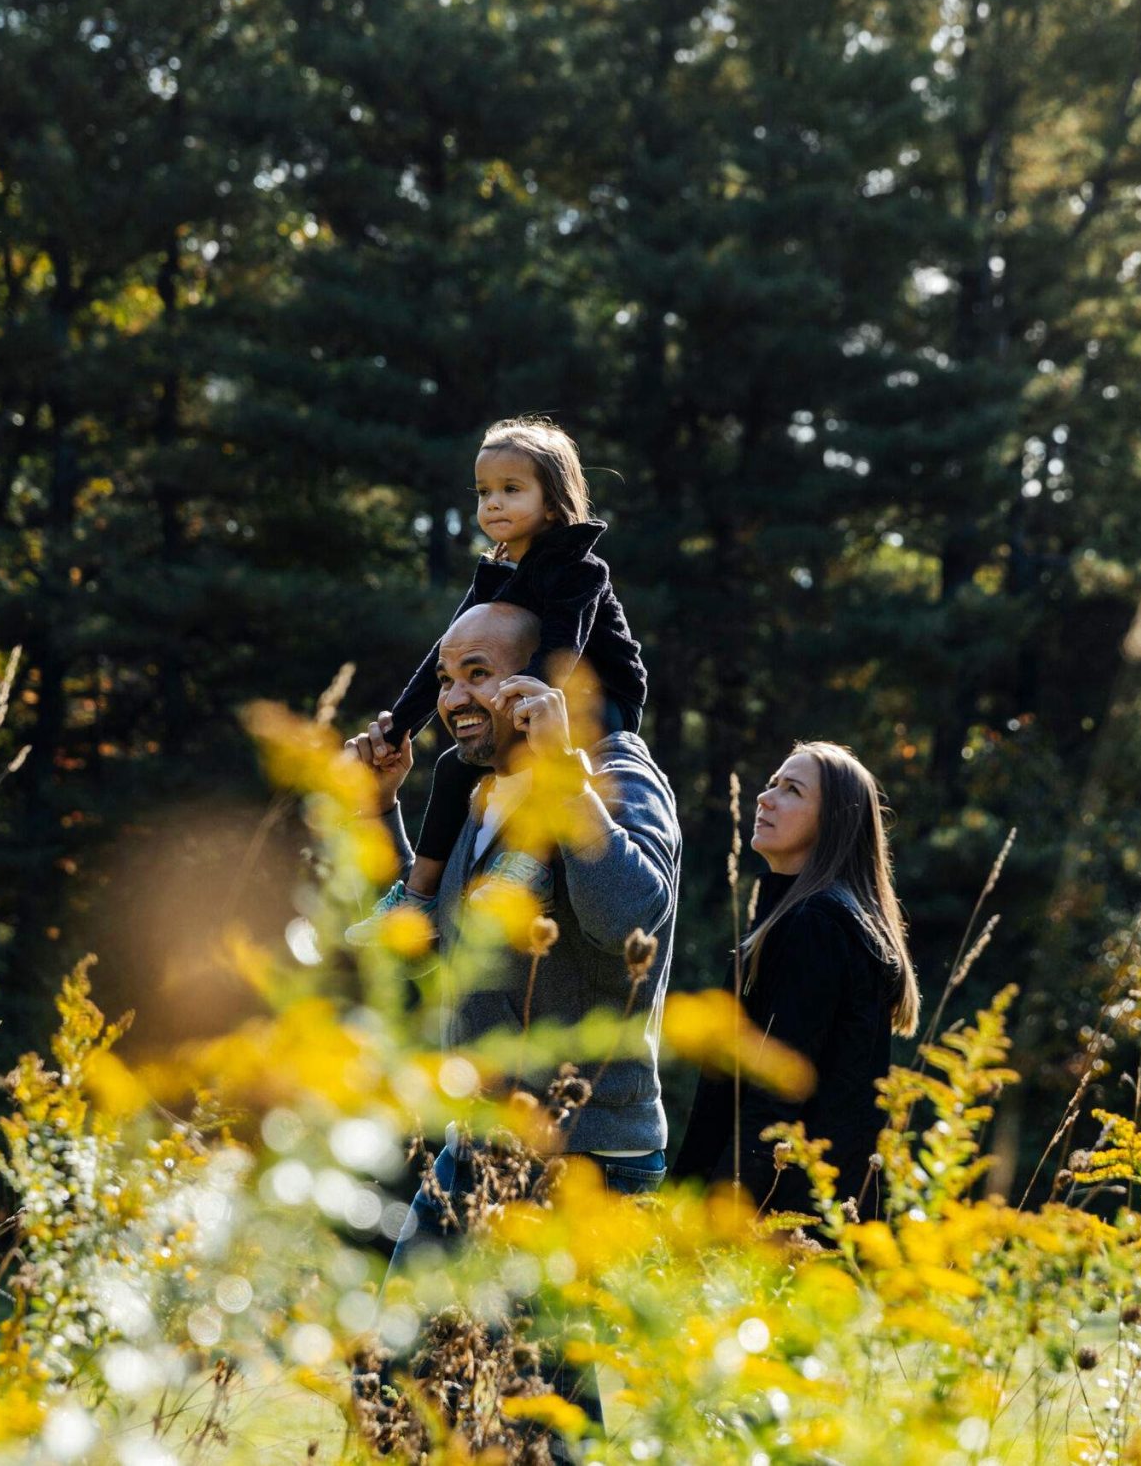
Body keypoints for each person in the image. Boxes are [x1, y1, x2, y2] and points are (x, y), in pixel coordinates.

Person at [348, 600, 680, 1235]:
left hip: (582, 1164)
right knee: (398, 1337)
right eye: (445, 680)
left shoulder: (619, 774)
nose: (453, 699)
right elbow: (421, 955)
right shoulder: (483, 795)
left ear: (539, 683)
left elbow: (630, 921)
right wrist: (377, 809)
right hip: (475, 1147)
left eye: (478, 673)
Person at [365, 418, 648, 912]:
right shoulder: (495, 575)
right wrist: (399, 725)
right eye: (483, 491)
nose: (492, 503)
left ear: (553, 502)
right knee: (454, 768)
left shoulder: (580, 568)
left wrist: (521, 705)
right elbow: (444, 655)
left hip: (599, 702)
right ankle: (418, 898)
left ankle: (527, 864)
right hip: (532, 693)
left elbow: (562, 652)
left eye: (511, 489)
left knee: (536, 759)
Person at [673, 741, 920, 1222]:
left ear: (833, 821)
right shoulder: (805, 917)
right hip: (808, 1207)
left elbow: (778, 1089)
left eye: (791, 791)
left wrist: (719, 1215)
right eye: (771, 784)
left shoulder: (817, 925)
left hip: (783, 1216)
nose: (765, 799)